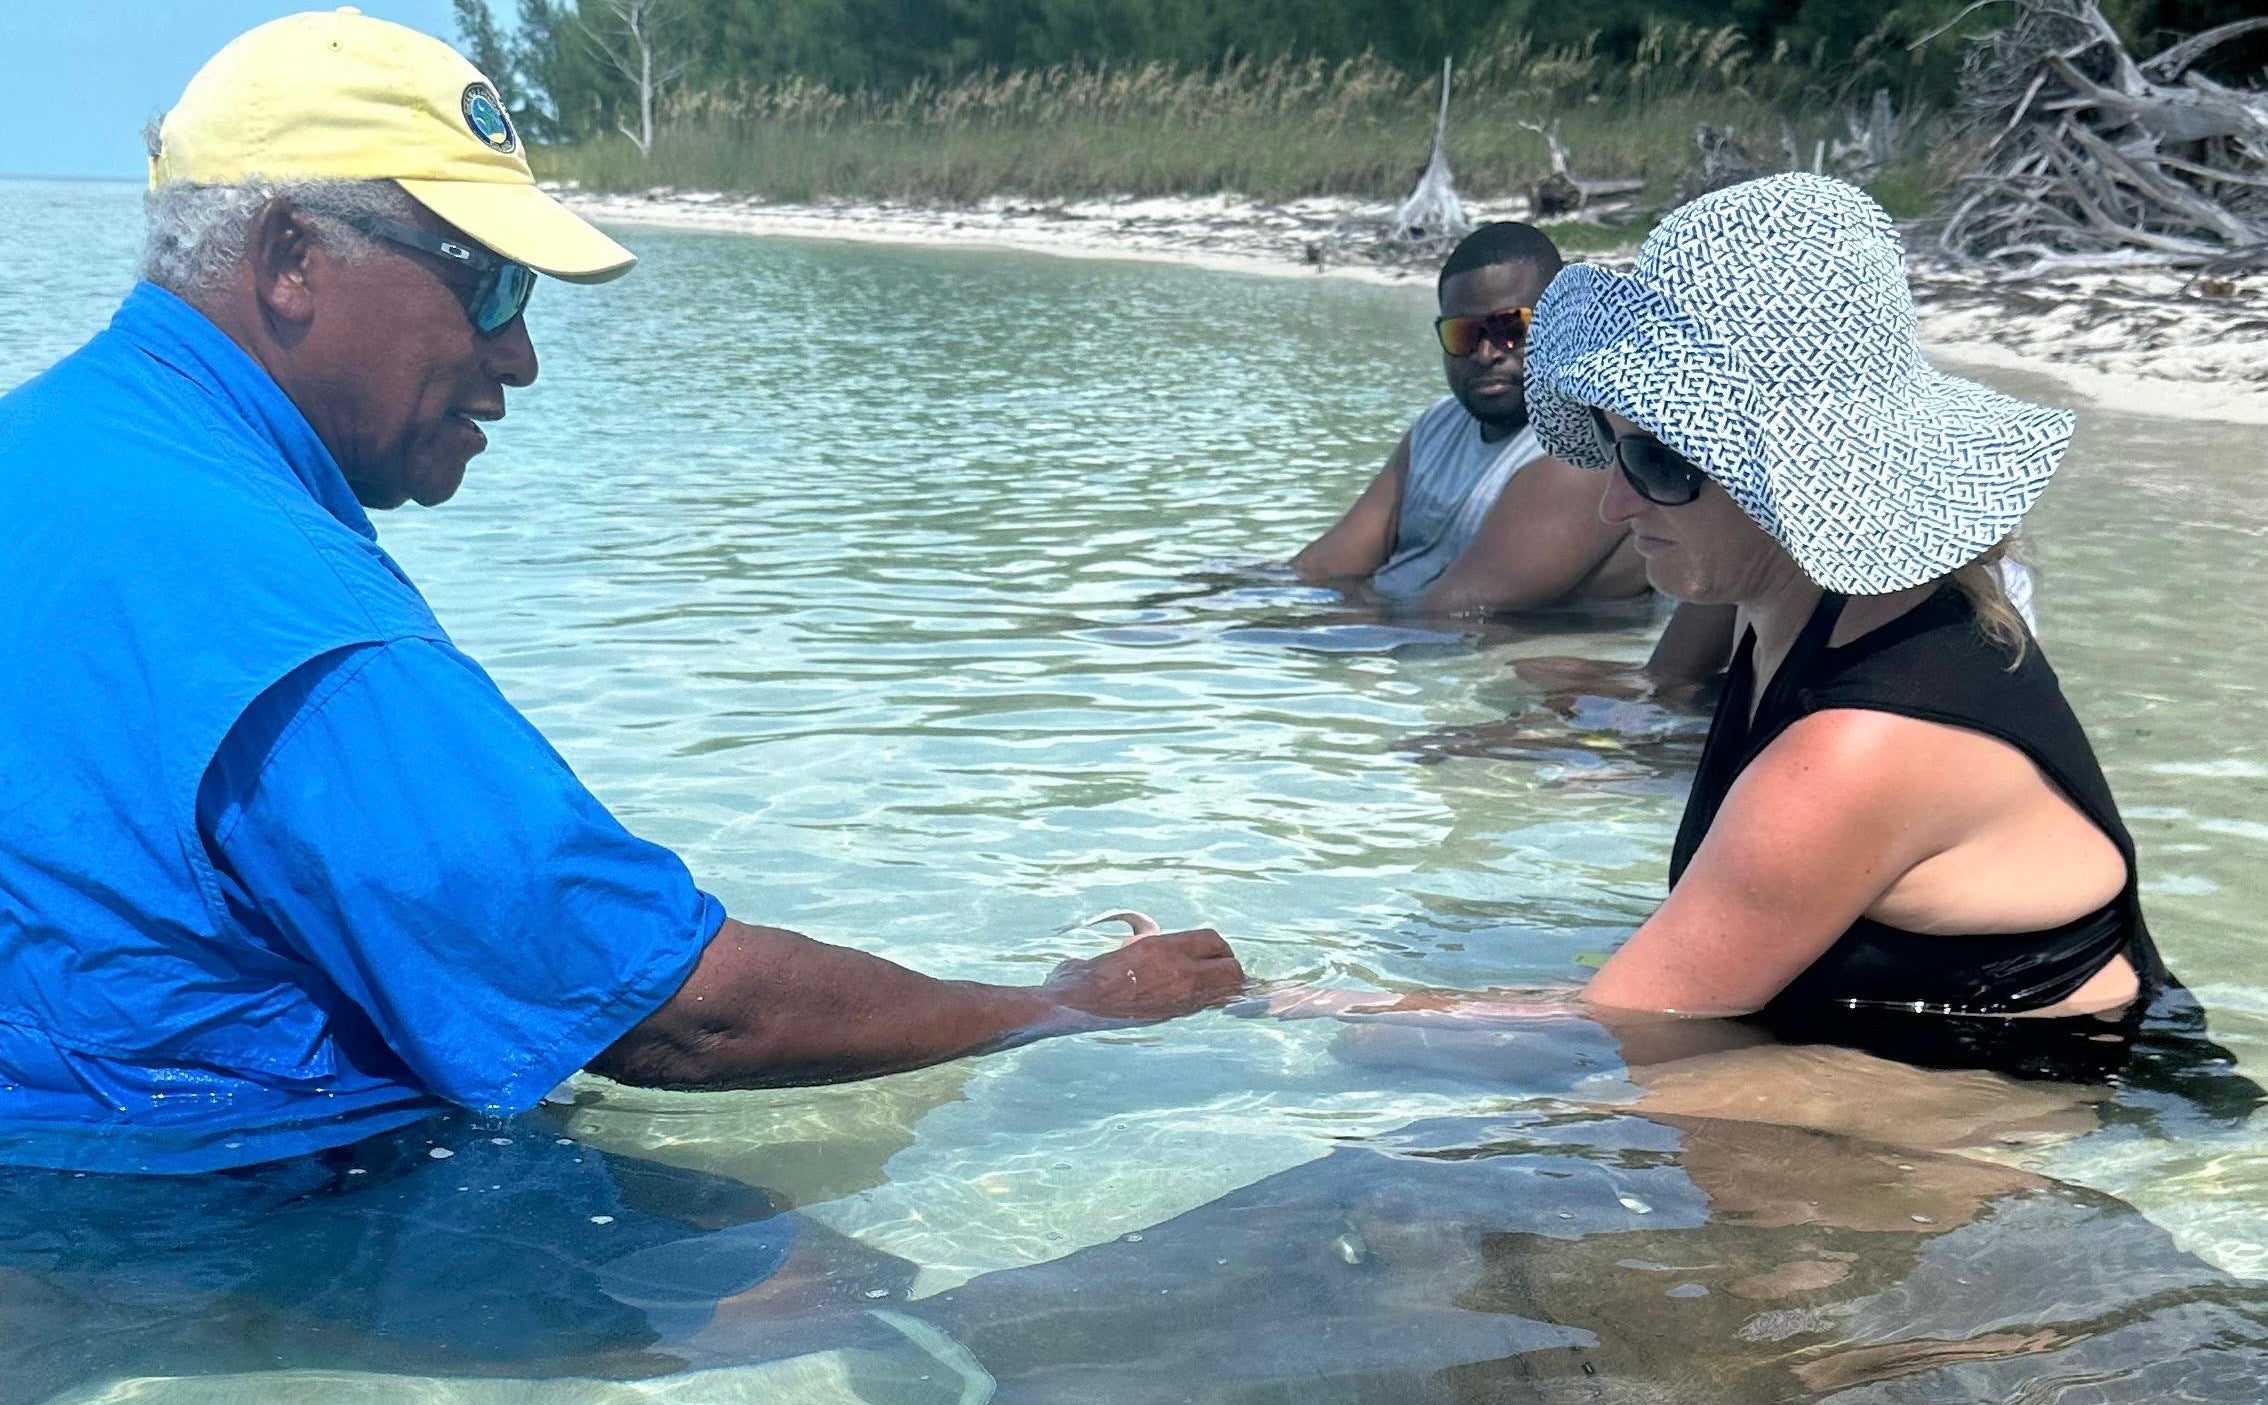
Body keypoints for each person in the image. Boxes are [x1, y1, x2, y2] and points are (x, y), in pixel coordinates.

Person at [0, 13, 1240, 1177]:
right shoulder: (298, 624)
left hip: (78, 1154)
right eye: (488, 285)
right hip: (181, 1207)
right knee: (868, 1310)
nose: (519, 356)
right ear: (288, 260)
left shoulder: (46, 450)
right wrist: (1065, 1007)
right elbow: (681, 1017)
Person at [1289, 174, 2168, 1063]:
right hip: (1886, 1057)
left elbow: (1629, 1019)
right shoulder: (1801, 608)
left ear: (1784, 471)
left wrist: (1257, 1002)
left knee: (1383, 1119)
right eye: (1611, 444)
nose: (1614, 508)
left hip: (2015, 1096)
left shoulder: (1859, 743)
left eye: (1661, 459)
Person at [1291, 222, 1648, 615]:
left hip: (1509, 662)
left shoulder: (1589, 447)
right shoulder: (1437, 426)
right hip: (1408, 636)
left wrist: (1261, 640)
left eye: (1512, 328)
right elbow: (1322, 568)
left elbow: (1454, 615)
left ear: (1563, 320)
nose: (1486, 354)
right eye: (1464, 334)